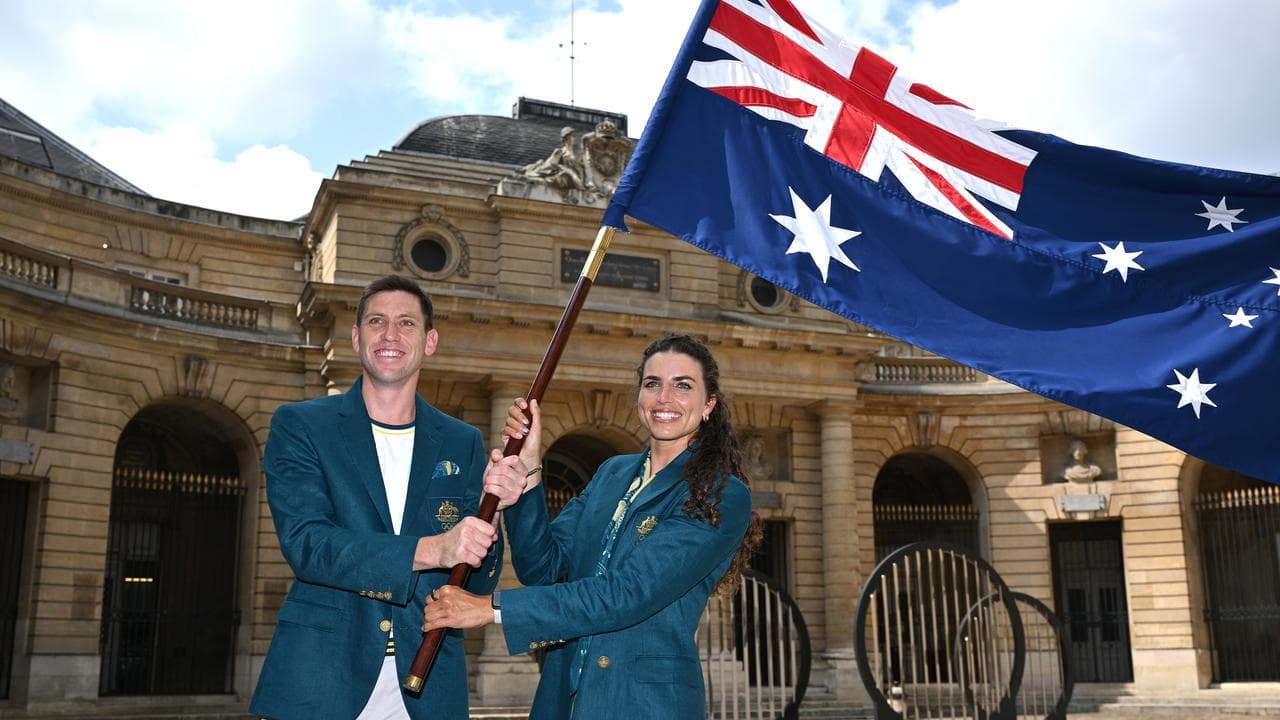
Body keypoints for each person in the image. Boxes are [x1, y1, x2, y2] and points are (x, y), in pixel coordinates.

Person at [423, 334, 761, 719]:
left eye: (682, 385)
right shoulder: (611, 474)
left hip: (644, 706)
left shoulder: (720, 493)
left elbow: (628, 592)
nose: (664, 398)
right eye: (652, 384)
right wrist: (530, 470)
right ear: (639, 398)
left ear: (708, 405)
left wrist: (490, 607)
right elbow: (545, 571)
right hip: (562, 701)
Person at [250, 275, 530, 720]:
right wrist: (433, 548)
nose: (391, 335)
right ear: (357, 337)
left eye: (406, 323)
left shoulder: (462, 441)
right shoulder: (302, 425)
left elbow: (475, 583)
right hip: (322, 680)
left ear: (430, 340)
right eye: (377, 322)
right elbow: (308, 545)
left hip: (427, 684)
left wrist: (491, 520)